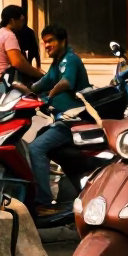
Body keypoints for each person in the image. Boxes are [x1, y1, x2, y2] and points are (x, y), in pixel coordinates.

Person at [28, 24, 90, 216]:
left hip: (72, 122)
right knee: (36, 139)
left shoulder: (70, 60)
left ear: (62, 41)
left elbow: (66, 82)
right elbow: (43, 82)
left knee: (36, 148)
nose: (46, 45)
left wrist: (51, 96)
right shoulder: (57, 63)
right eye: (44, 42)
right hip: (61, 120)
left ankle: (44, 203)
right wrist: (21, 90)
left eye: (50, 41)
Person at [0, 5, 39, 100]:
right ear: (12, 20)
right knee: (33, 99)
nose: (23, 23)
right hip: (1, 85)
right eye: (21, 19)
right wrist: (39, 75)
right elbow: (18, 63)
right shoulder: (9, 35)